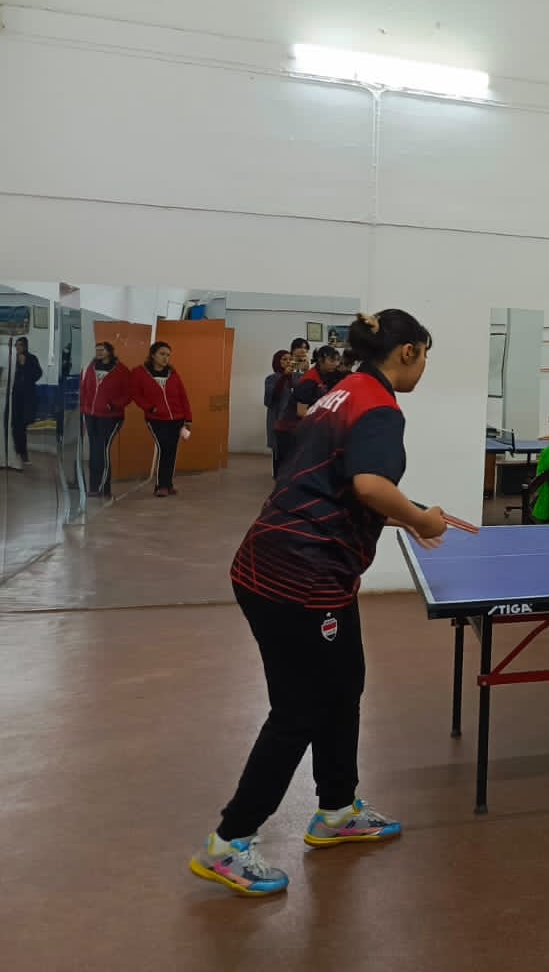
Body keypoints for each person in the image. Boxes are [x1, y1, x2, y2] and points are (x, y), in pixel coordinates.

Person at [189, 309, 448, 897]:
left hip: (291, 564)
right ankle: (230, 842)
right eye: (425, 355)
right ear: (407, 351)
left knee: (345, 682)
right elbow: (370, 484)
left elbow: (332, 478)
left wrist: (401, 514)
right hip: (299, 574)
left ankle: (336, 808)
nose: (424, 367)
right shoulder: (379, 406)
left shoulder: (341, 391)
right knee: (299, 709)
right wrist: (420, 519)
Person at [129, 340, 192, 497]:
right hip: (156, 418)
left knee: (172, 451)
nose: (165, 358)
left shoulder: (173, 374)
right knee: (164, 448)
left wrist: (188, 419)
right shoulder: (139, 372)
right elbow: (135, 394)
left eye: (168, 355)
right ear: (153, 355)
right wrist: (150, 408)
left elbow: (183, 396)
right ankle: (160, 486)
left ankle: (168, 485)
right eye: (162, 354)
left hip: (177, 418)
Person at [81, 341, 133, 496]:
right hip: (91, 415)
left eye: (102, 350)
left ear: (110, 351)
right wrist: (84, 409)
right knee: (94, 451)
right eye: (97, 349)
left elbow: (129, 393)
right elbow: (84, 389)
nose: (98, 352)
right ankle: (94, 487)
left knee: (102, 450)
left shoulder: (121, 370)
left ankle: (104, 488)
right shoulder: (90, 368)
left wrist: (114, 405)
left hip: (111, 417)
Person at [9, 336, 44, 466]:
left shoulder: (32, 359)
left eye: (19, 345)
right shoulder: (12, 358)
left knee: (22, 426)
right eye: (16, 345)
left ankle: (23, 454)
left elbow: (38, 374)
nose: (17, 347)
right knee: (14, 425)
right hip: (14, 397)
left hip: (27, 399)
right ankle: (16, 452)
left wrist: (24, 365)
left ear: (25, 346)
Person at [262, 349, 293, 475]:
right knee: (278, 448)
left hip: (292, 418)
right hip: (277, 418)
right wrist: (284, 377)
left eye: (290, 359)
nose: (288, 362)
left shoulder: (295, 377)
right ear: (277, 362)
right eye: (284, 359)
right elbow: (271, 398)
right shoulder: (271, 378)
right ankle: (278, 474)